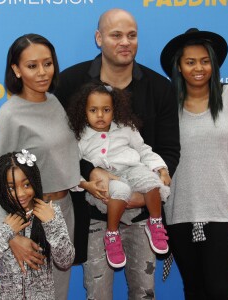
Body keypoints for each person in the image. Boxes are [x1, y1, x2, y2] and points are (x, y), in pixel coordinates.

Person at [55, 8, 180, 300]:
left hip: (144, 216)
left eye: (132, 35)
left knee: (145, 292)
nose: (125, 42)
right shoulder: (69, 82)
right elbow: (58, 147)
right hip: (93, 213)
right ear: (99, 38)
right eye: (116, 35)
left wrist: (146, 191)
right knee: (97, 293)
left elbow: (168, 150)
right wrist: (89, 172)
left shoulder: (160, 88)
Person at [0, 34, 80, 300]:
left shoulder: (55, 102)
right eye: (32, 65)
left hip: (61, 212)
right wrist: (10, 236)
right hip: (29, 222)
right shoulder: (9, 116)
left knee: (59, 294)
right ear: (16, 69)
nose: (42, 72)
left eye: (48, 63)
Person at [160, 28, 228, 299]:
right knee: (193, 290)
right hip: (179, 211)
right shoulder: (167, 105)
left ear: (213, 64)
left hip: (224, 213)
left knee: (218, 291)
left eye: (204, 61)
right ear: (178, 67)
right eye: (190, 62)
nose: (198, 68)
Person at [69, 81, 171, 268]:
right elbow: (71, 166)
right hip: (107, 178)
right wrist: (85, 184)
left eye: (106, 110)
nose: (100, 115)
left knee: (151, 181)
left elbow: (144, 150)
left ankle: (155, 222)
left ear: (114, 109)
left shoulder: (126, 128)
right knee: (121, 190)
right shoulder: (79, 137)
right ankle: (112, 233)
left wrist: (161, 169)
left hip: (133, 169)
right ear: (84, 111)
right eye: (93, 110)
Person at [0, 150, 75, 299]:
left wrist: (51, 224)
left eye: (26, 185)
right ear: (2, 188)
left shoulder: (51, 212)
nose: (20, 194)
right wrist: (6, 234)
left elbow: (66, 261)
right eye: (12, 188)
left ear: (35, 182)